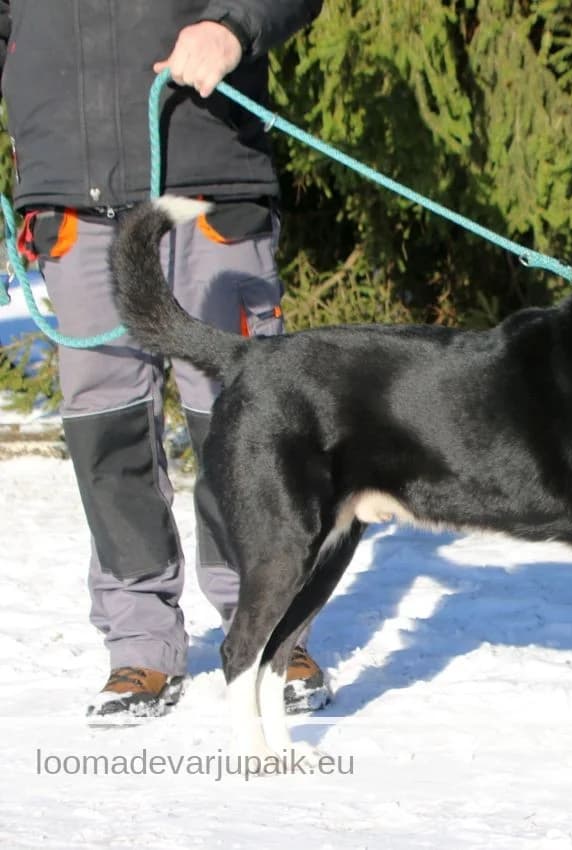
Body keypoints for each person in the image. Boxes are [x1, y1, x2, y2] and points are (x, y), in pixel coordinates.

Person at [0, 1, 329, 720]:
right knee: (105, 429)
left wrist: (231, 26)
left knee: (243, 422)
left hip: (208, 182)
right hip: (71, 197)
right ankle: (140, 646)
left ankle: (269, 626)